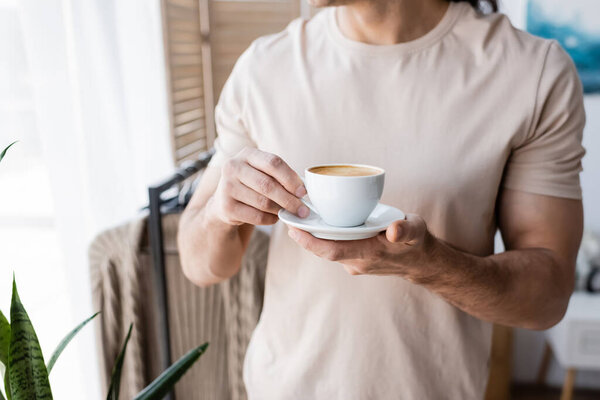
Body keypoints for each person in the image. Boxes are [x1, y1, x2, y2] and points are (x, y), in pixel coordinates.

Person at [177, 0, 586, 397]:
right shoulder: (261, 69)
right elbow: (200, 266)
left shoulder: (533, 73)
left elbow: (547, 299)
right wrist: (217, 213)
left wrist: (431, 266)